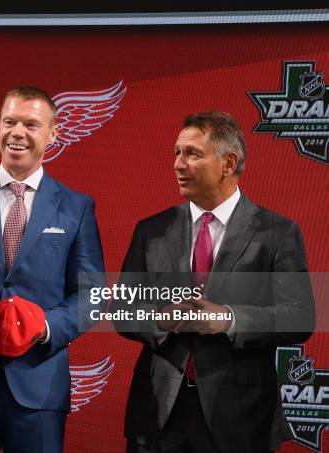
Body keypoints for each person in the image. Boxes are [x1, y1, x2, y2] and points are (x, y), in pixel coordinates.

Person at [112, 111, 315, 453]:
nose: (178, 164)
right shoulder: (151, 230)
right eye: (176, 153)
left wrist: (228, 319)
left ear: (228, 163)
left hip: (240, 419)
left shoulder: (277, 233)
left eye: (192, 154)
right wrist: (161, 318)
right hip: (158, 415)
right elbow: (122, 310)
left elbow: (299, 317)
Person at [0, 85, 105, 453]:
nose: (17, 132)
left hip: (40, 383)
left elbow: (93, 294)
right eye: (10, 121)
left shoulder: (76, 207)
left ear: (53, 134)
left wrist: (43, 328)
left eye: (31, 124)